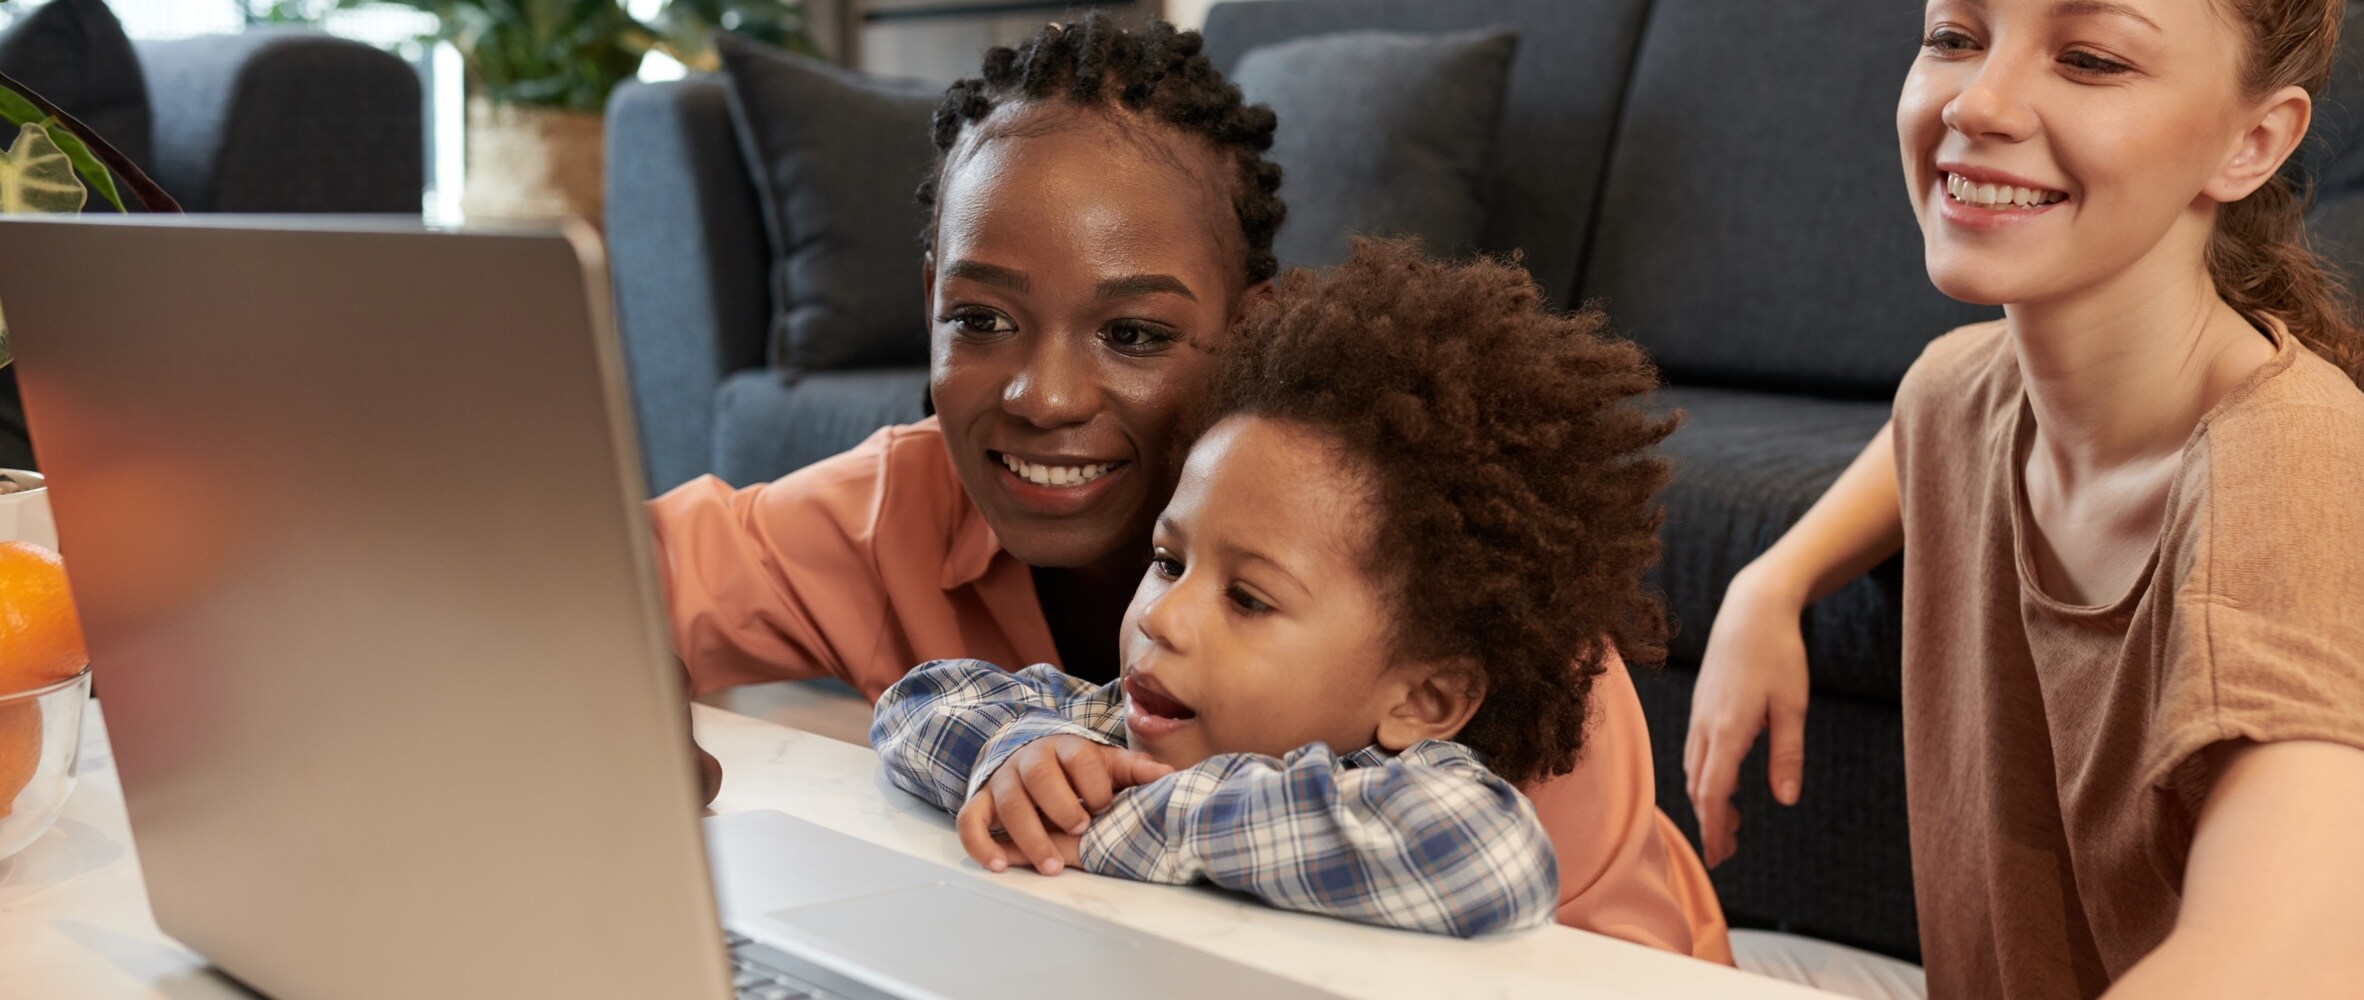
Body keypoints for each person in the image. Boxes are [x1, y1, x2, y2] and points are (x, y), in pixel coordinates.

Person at [648, 15, 1731, 959]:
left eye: (1134, 332)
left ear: (1251, 323)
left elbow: (1529, 908)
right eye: (980, 318)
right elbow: (567, 583)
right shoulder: (890, 505)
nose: (1045, 395)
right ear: (931, 299)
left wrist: (1116, 815)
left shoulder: (1460, 593)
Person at [1683, 0, 2364, 996]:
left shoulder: (2303, 473)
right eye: (1955, 37)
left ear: (2252, 142)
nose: (1979, 101)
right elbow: (1933, 420)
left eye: (2093, 59)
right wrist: (1775, 579)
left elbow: (2299, 964)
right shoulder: (1954, 400)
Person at [871, 239, 1674, 939]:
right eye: (1167, 560)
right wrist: (1017, 759)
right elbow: (917, 703)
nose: (1165, 615)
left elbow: (1488, 856)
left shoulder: (1403, 790)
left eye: (1249, 599)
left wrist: (1110, 820)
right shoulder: (1111, 725)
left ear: (1422, 700)